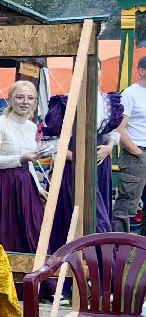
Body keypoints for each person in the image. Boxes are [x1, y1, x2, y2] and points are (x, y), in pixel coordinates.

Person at [42, 79, 118, 252]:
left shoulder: (107, 101)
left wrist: (109, 147)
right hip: (72, 165)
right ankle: (79, 257)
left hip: (100, 163)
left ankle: (99, 262)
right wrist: (76, 157)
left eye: (97, 69)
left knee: (100, 209)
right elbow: (53, 142)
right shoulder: (64, 102)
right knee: (79, 212)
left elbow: (113, 131)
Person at [0, 80, 46, 251]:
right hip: (1, 185)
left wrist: (37, 187)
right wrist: (20, 158)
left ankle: (31, 272)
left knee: (32, 229)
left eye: (30, 98)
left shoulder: (31, 127)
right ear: (10, 99)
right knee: (5, 232)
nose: (25, 102)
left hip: (24, 184)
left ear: (35, 102)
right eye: (20, 97)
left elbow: (29, 163)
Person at [112, 56, 146, 232]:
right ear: (141, 70)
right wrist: (138, 154)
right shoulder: (130, 94)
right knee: (127, 204)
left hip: (140, 153)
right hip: (137, 153)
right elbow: (119, 128)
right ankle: (118, 247)